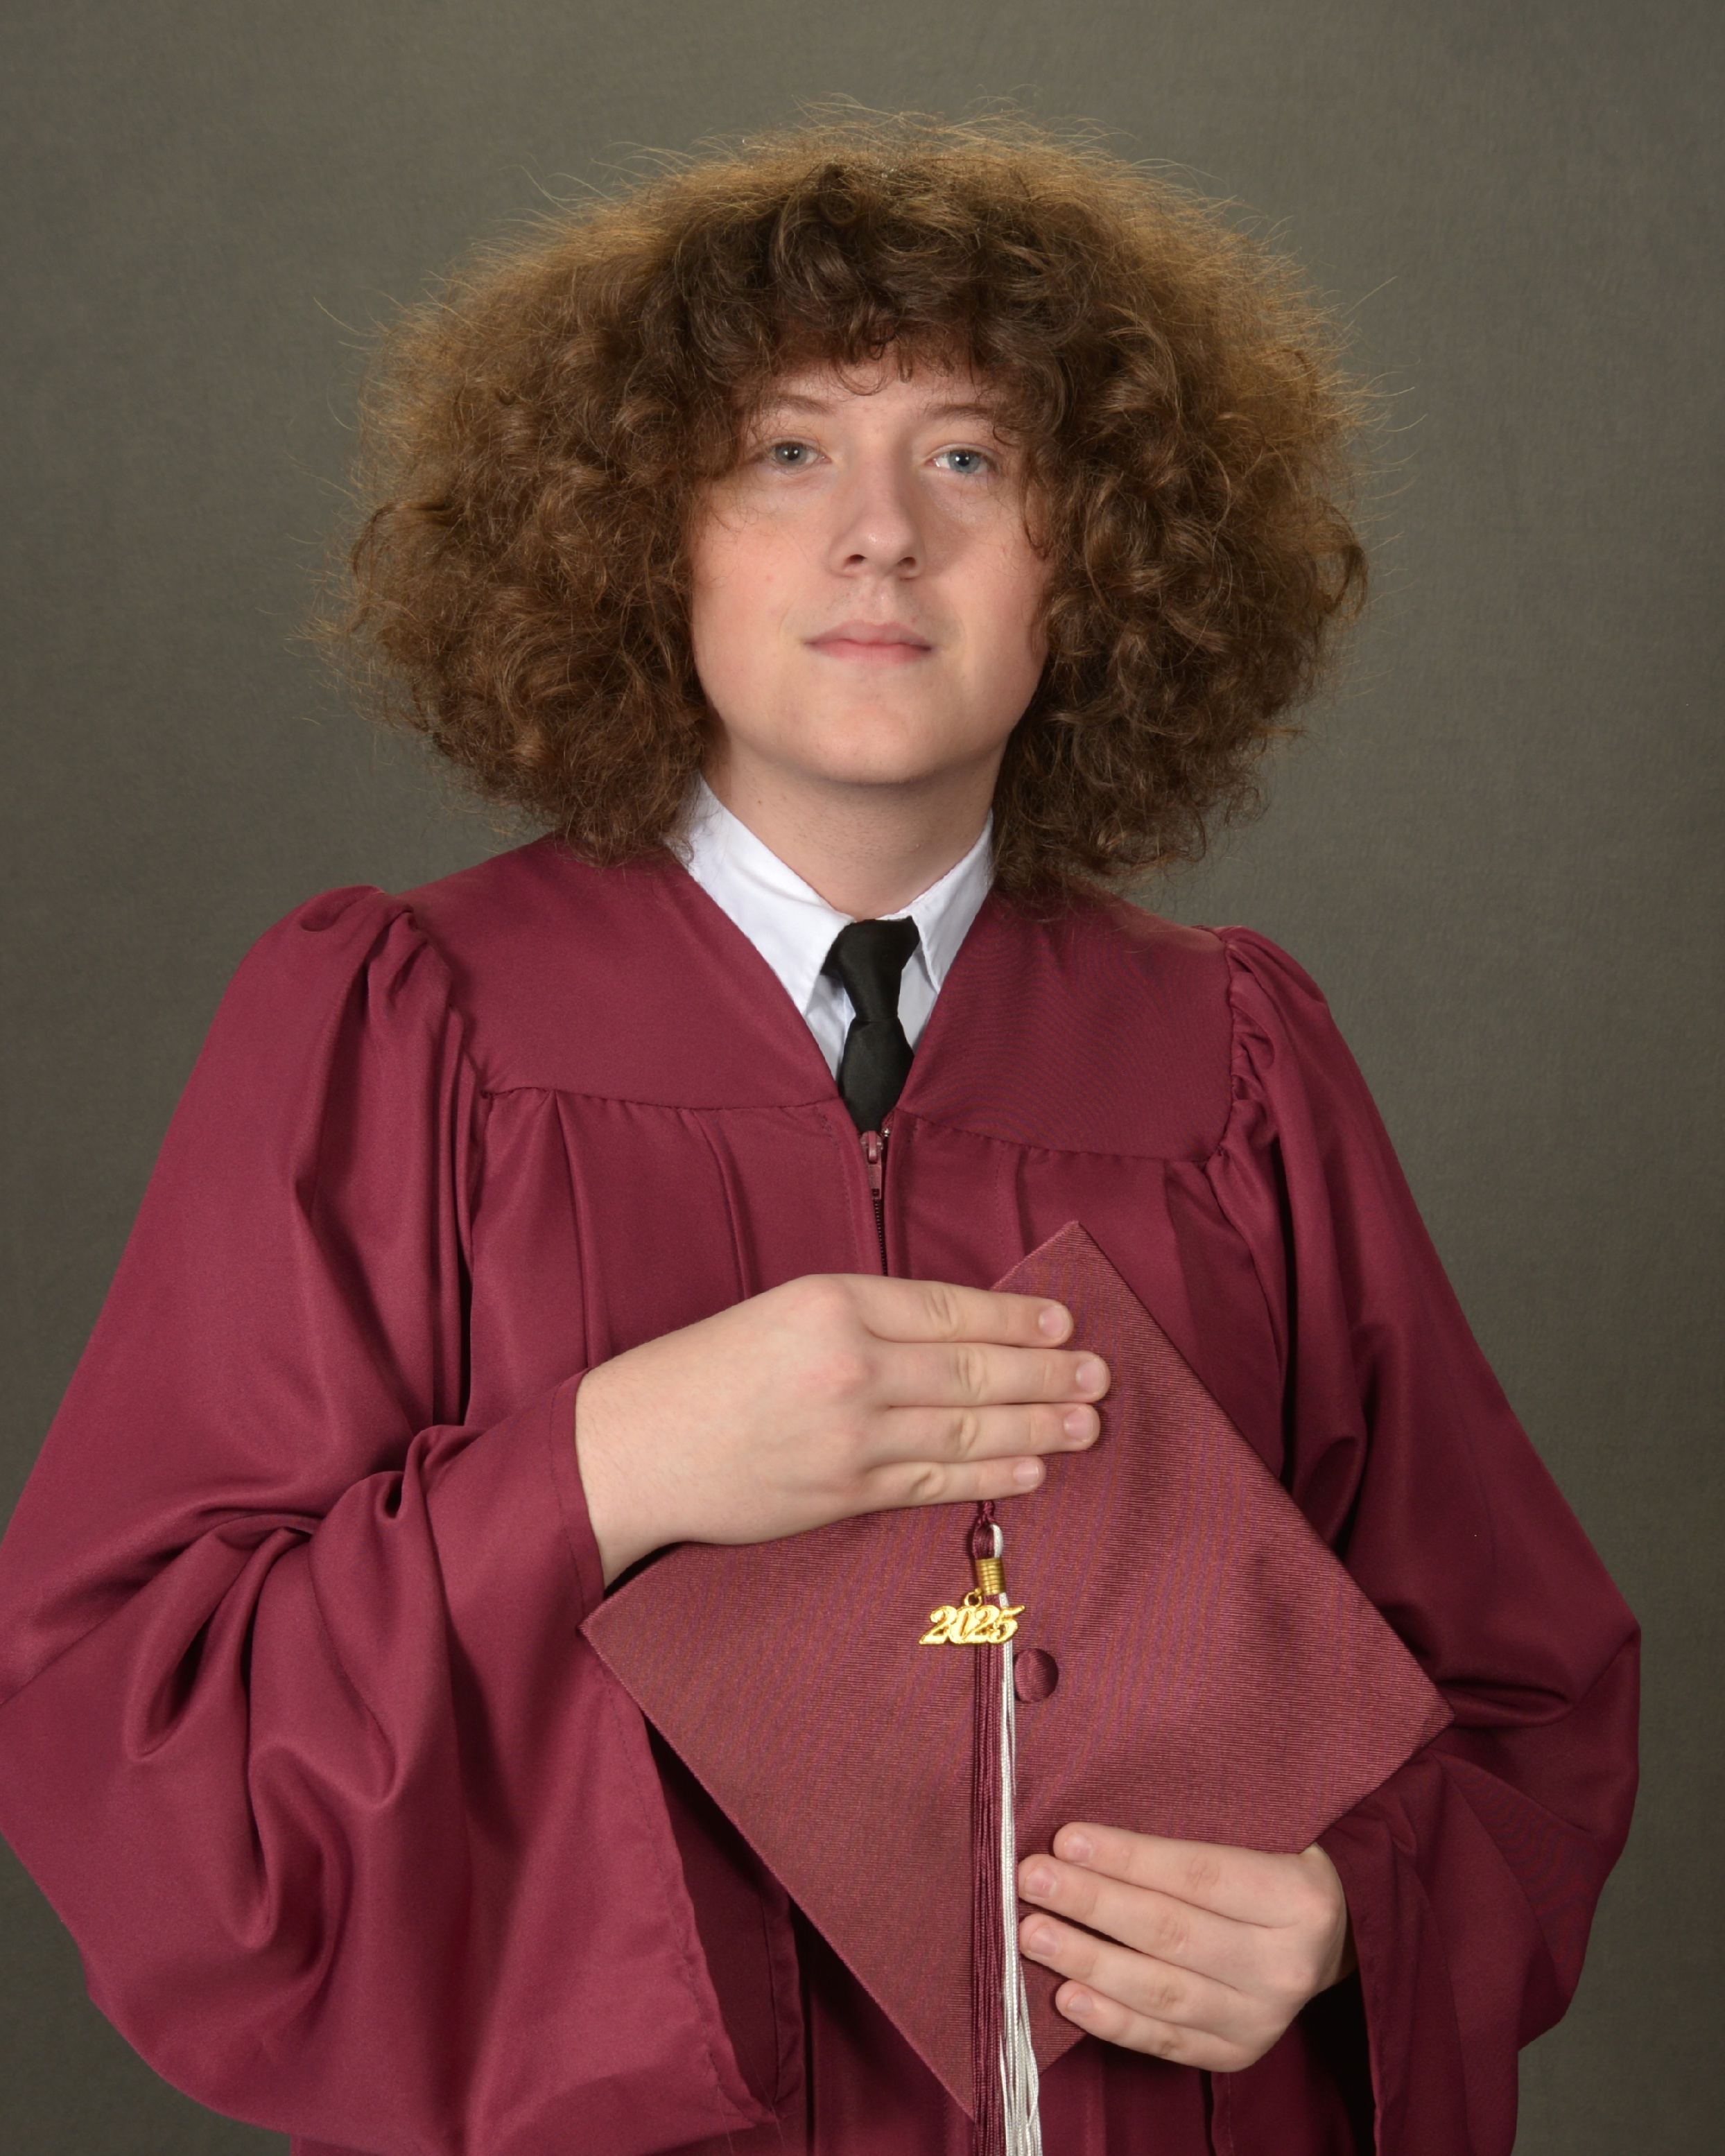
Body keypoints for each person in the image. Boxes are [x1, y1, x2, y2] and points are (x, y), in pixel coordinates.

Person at [0, 119, 1636, 2156]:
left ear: (1101, 555)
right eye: (785, 452)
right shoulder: (412, 1025)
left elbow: (1517, 1713)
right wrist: (610, 1461)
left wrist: (1341, 1919)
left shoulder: (1230, 1067)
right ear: (643, 534)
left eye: (972, 458)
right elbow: (134, 1716)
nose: (882, 537)